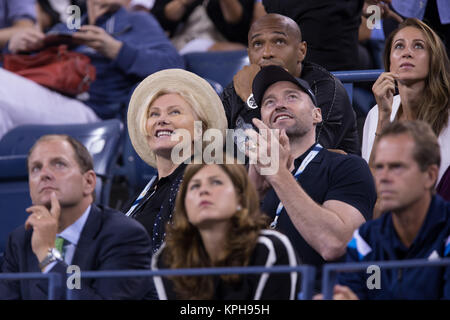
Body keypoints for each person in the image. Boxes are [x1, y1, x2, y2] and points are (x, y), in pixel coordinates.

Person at [247, 65, 376, 285]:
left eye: (292, 97)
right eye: (269, 102)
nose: (279, 105)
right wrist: (252, 195)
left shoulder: (347, 167)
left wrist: (279, 175)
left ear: (317, 114)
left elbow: (335, 244)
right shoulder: (254, 177)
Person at [0, 0, 184, 140]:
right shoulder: (72, 24)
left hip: (93, 111)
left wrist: (117, 50)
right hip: (50, 96)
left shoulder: (136, 20)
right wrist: (15, 46)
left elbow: (173, 65)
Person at [0, 135, 152, 300]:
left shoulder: (124, 236)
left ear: (88, 182)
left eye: (59, 164)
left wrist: (47, 256)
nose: (44, 174)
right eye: (35, 168)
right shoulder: (20, 240)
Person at [318, 121, 450, 300]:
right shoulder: (366, 239)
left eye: (397, 167)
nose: (384, 178)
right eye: (379, 167)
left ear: (430, 175)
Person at [152, 160, 300, 299]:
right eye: (194, 186)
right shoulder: (169, 256)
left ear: (240, 199)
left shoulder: (269, 248)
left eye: (216, 182)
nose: (203, 191)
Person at [221, 13, 360, 155]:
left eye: (279, 42)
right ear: (249, 54)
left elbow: (305, 158)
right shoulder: (237, 88)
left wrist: (251, 98)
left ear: (301, 51)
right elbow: (208, 150)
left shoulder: (325, 89)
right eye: (258, 44)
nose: (267, 53)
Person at [125, 68, 227, 254]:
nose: (161, 120)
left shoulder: (203, 184)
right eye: (154, 114)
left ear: (199, 130)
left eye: (175, 112)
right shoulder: (144, 194)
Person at [362, 18, 450, 188]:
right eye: (399, 46)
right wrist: (384, 118)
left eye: (418, 46)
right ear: (389, 61)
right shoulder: (376, 113)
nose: (407, 53)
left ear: (434, 59)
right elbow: (371, 189)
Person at [151, 0, 263, 54]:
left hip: (221, 42)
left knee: (245, 52)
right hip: (181, 42)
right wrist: (182, 2)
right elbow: (159, 19)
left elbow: (239, 27)